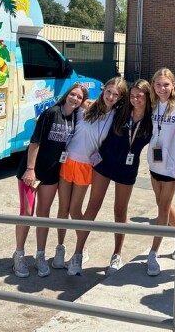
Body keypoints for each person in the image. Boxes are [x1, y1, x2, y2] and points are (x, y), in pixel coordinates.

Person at [72, 79, 153, 276]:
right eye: (132, 96)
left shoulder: (151, 120)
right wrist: (86, 102)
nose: (135, 100)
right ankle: (78, 253)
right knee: (93, 206)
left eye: (140, 97)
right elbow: (100, 103)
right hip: (104, 163)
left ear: (147, 98)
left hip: (127, 168)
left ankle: (117, 254)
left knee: (120, 211)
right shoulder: (121, 111)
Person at [12, 82, 88, 278]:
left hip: (52, 174)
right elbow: (35, 142)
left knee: (43, 214)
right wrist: (30, 169)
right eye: (73, 94)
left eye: (79, 97)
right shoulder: (51, 113)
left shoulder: (75, 118)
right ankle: (19, 255)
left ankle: (40, 255)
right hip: (32, 172)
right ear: (67, 94)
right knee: (27, 212)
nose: (75, 99)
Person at [53, 77, 126, 276]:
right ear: (103, 90)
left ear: (120, 97)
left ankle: (81, 248)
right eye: (109, 91)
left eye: (116, 94)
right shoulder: (86, 106)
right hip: (67, 161)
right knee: (63, 208)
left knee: (76, 209)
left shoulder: (117, 117)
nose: (111, 96)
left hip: (87, 166)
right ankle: (60, 247)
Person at [146, 67, 175, 277]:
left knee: (162, 208)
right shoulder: (152, 104)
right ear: (153, 85)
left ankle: (153, 252)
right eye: (158, 84)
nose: (162, 88)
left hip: (172, 166)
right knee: (163, 204)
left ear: (173, 85)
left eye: (166, 84)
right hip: (155, 164)